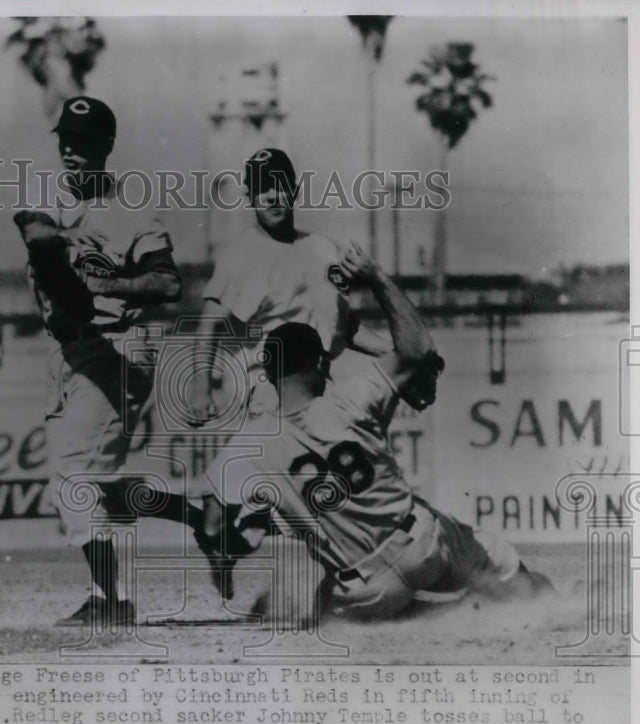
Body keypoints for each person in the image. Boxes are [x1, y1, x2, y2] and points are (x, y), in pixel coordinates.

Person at [196, 247, 552, 621]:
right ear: (320, 362)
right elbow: (419, 350)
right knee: (501, 562)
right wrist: (377, 277)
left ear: (267, 372)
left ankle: (444, 615)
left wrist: (223, 556)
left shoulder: (247, 446)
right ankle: (548, 605)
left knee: (316, 610)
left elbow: (212, 524)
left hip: (364, 587)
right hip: (422, 545)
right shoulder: (352, 395)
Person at [14, 96, 182, 627]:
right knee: (92, 478)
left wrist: (102, 283)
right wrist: (65, 274)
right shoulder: (42, 196)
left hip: (119, 344)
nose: (71, 149)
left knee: (73, 474)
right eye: (65, 138)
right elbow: (39, 239)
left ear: (107, 146)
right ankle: (199, 521)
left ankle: (112, 602)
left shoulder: (133, 211)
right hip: (70, 348)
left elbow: (168, 282)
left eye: (83, 141)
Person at [186, 147, 389, 430]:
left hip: (321, 388)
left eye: (279, 185)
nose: (272, 196)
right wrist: (200, 391)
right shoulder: (242, 254)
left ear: (294, 189)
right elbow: (209, 324)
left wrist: (391, 352)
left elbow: (340, 323)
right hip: (269, 392)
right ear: (249, 197)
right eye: (262, 188)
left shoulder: (322, 249)